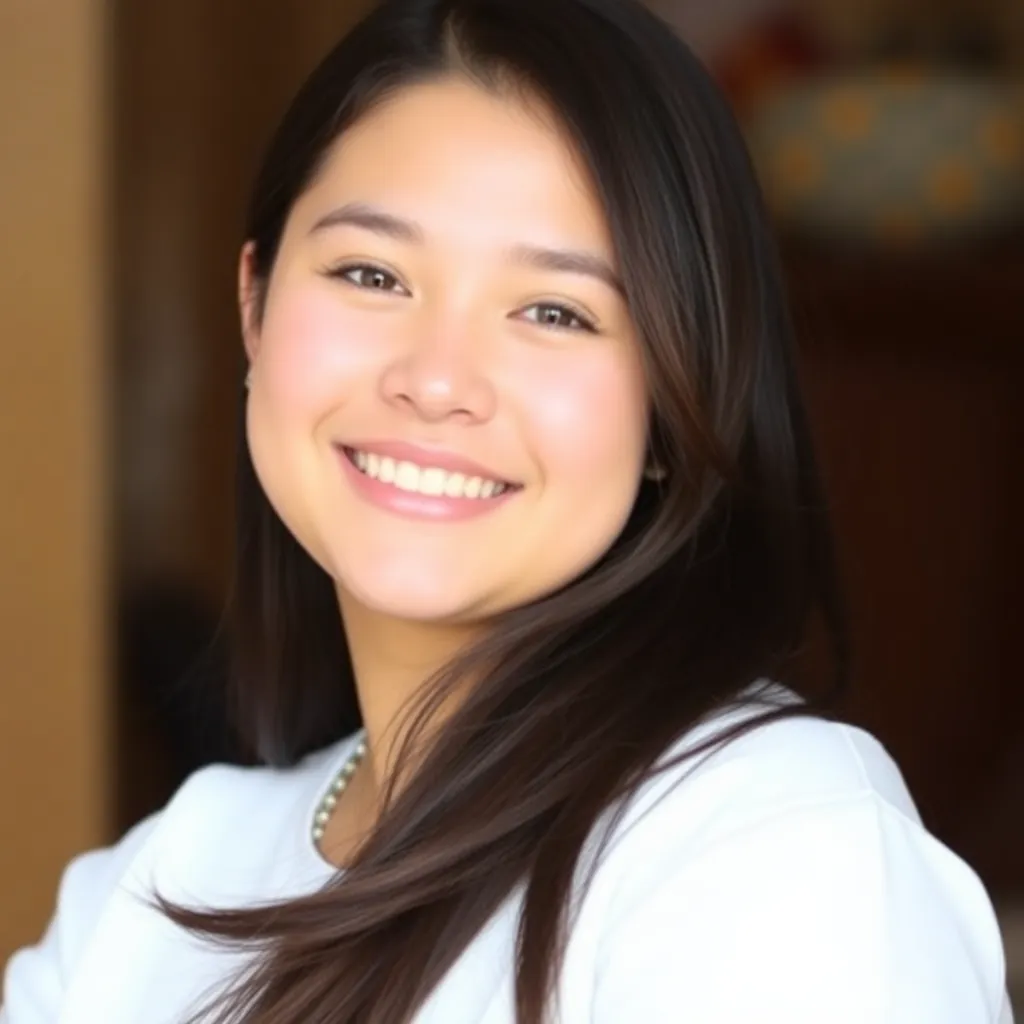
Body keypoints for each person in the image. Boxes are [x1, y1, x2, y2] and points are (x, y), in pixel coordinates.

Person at [2, 0, 1014, 1021]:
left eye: (553, 311)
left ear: (675, 397)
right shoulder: (154, 889)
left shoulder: (770, 841)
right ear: (255, 306)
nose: (437, 380)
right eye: (370, 272)